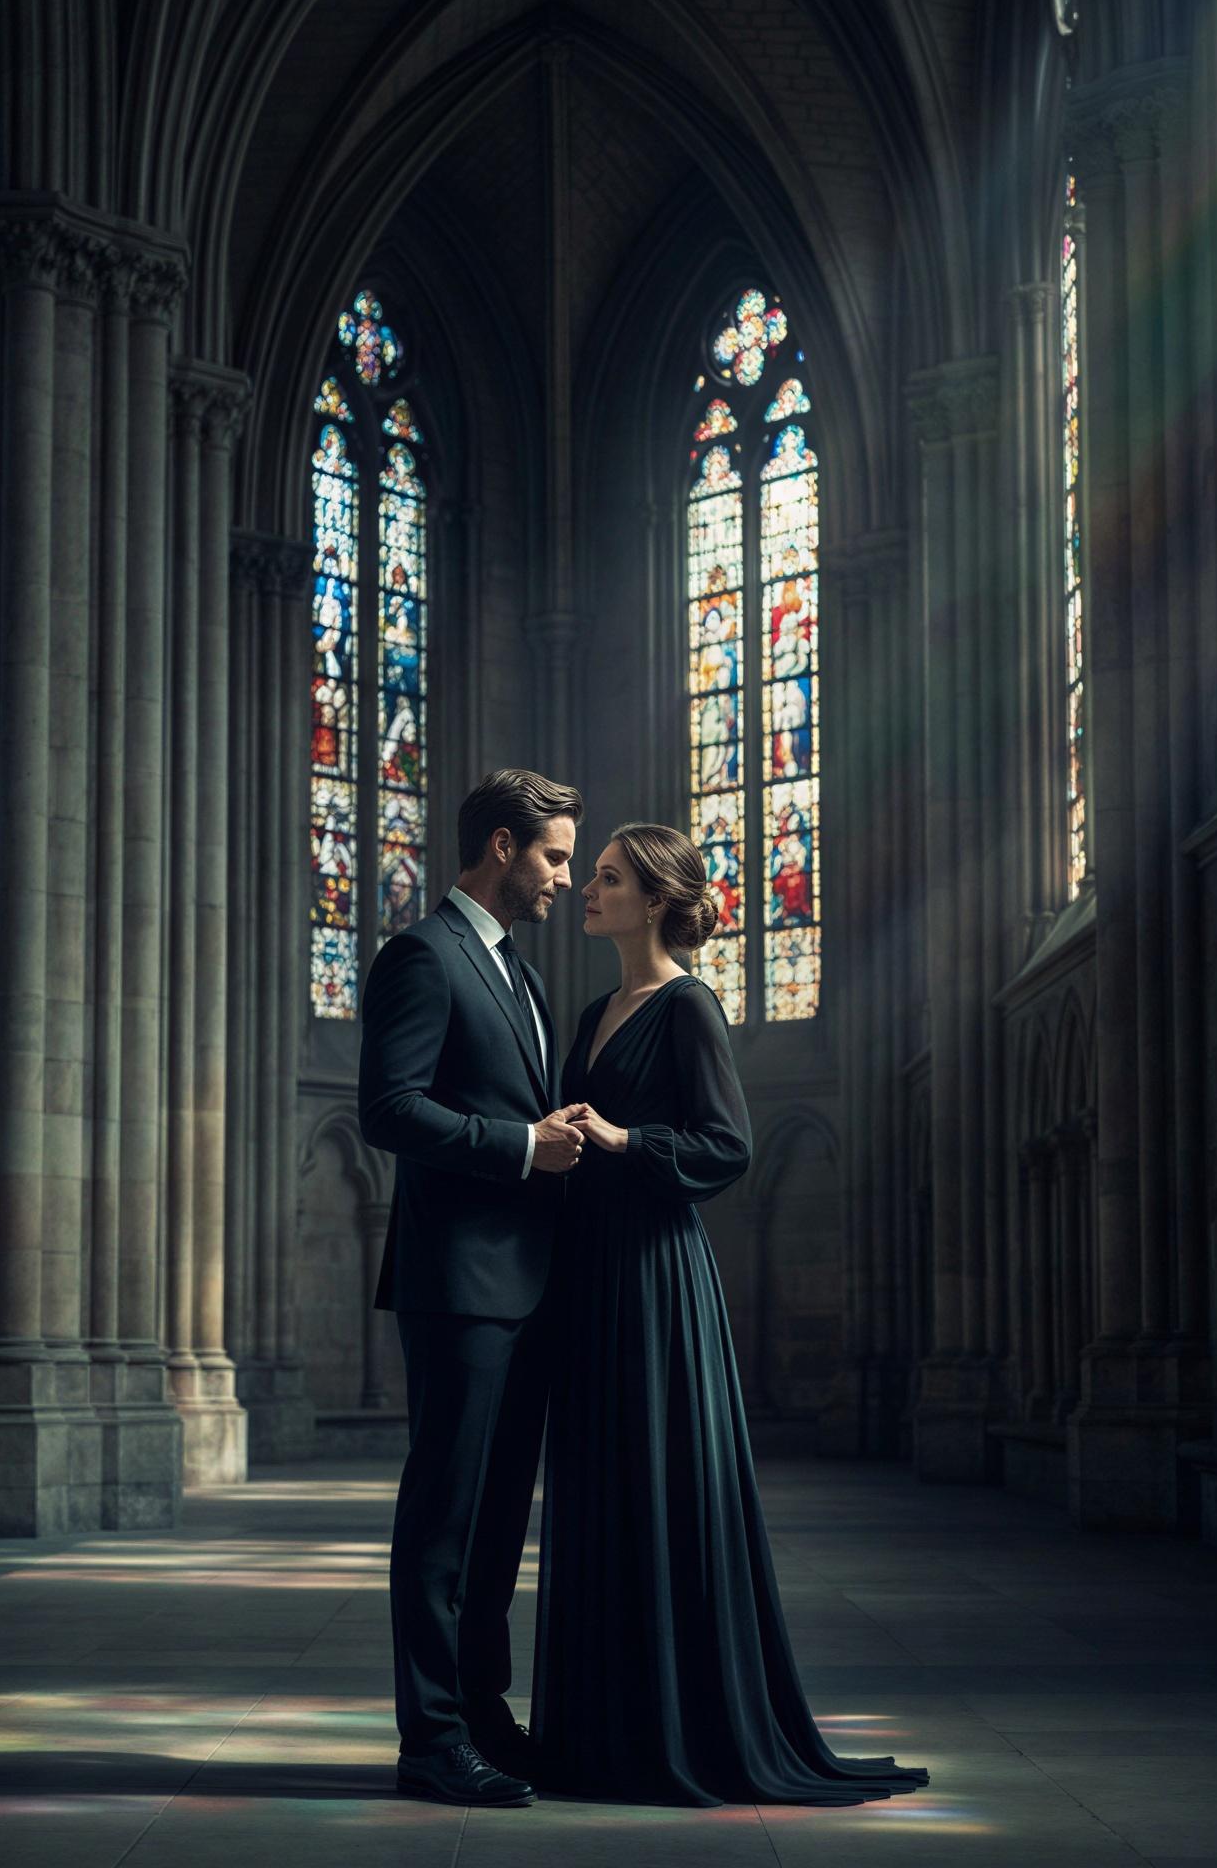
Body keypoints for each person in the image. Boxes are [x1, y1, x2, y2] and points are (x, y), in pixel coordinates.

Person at [531, 822, 931, 1807]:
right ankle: (596, 1734)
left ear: (658, 898)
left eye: (608, 877)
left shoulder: (688, 1006)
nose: (587, 887)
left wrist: (622, 1137)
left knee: (659, 1487)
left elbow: (724, 1147)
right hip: (589, 1275)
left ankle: (675, 1731)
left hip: (656, 1281)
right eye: (588, 874)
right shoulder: (592, 1011)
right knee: (597, 1486)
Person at [358, 768, 584, 1809]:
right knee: (445, 1515)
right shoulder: (421, 954)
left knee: (498, 1520)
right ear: (500, 845)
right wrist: (516, 1142)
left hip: (524, 1282)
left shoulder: (517, 971)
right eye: (552, 855)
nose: (563, 877)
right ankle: (431, 1737)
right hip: (456, 1284)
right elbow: (389, 1108)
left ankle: (483, 1712)